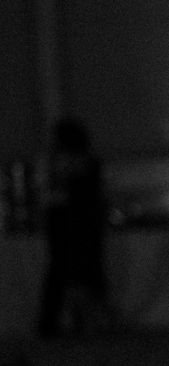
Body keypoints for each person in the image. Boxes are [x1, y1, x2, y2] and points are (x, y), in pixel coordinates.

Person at [38, 117, 110, 338]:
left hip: (79, 219)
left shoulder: (76, 161)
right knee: (67, 268)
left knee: (78, 268)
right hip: (68, 219)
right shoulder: (65, 161)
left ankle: (82, 320)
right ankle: (67, 321)